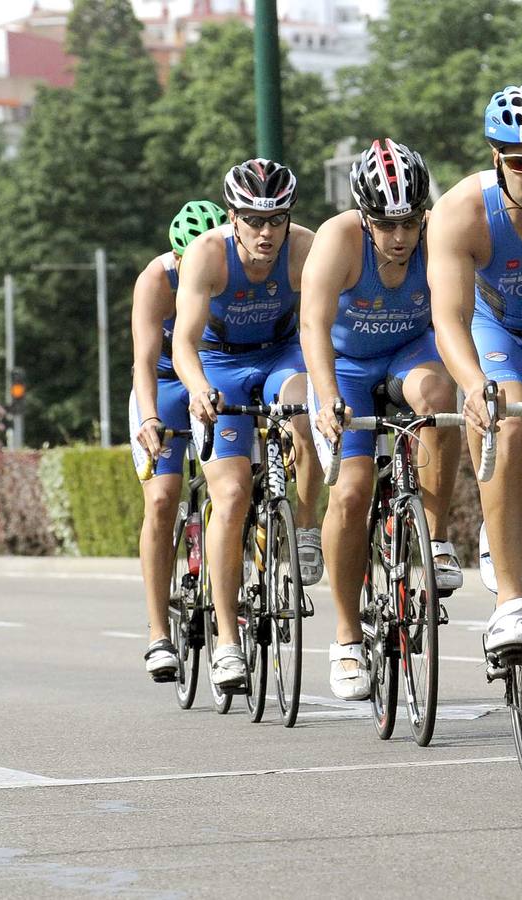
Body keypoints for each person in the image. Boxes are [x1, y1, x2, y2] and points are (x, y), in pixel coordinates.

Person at [300, 139, 463, 700]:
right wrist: (324, 398)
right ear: (364, 218)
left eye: (410, 223)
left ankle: (436, 538)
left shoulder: (436, 234)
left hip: (407, 353)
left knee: (441, 396)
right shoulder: (338, 240)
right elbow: (313, 327)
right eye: (385, 225)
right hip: (345, 366)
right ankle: (345, 638)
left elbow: (452, 313)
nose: (399, 239)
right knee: (352, 492)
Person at [429, 82, 522, 656]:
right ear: (497, 160)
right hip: (502, 335)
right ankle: (510, 603)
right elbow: (448, 319)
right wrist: (473, 385)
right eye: (519, 162)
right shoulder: (464, 211)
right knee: (505, 416)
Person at [172, 159, 322, 691]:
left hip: (281, 354)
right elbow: (183, 343)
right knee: (232, 495)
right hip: (220, 364)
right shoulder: (207, 255)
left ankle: (303, 531)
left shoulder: (304, 249)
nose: (265, 233)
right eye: (254, 220)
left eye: (276, 220)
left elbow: (323, 320)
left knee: (306, 412)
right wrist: (197, 389)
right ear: (232, 216)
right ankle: (227, 643)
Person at [131, 199, 225, 680]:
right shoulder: (155, 280)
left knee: (235, 484)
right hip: (167, 387)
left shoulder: (233, 267)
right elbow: (144, 362)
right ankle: (156, 633)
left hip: (215, 381)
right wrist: (148, 417)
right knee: (164, 498)